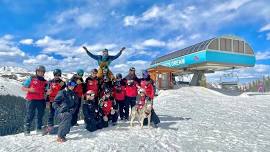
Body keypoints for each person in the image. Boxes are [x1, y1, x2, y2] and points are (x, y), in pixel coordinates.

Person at [22, 65, 47, 135]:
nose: (40, 73)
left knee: (40, 115)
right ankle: (27, 129)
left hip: (41, 100)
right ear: (36, 71)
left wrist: (47, 93)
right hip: (31, 99)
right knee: (30, 114)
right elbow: (23, 88)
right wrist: (29, 89)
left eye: (42, 71)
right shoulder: (31, 79)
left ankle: (38, 128)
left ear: (44, 73)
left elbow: (46, 91)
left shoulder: (45, 81)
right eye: (39, 71)